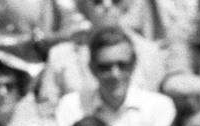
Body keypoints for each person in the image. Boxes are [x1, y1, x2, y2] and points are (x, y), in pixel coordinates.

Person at [39, 0, 169, 106]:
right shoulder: (60, 55)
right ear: (83, 6)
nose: (107, 5)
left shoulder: (150, 53)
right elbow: (46, 110)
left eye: (116, 1)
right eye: (97, 1)